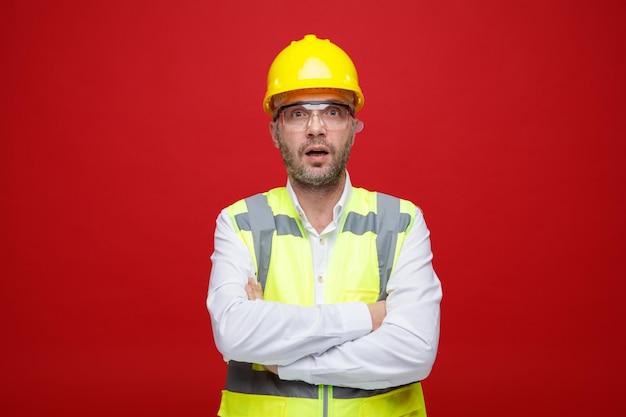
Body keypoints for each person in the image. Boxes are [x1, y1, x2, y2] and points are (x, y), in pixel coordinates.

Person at [207, 34, 442, 417]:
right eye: (298, 113)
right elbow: (234, 335)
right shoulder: (239, 223)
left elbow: (414, 351)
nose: (316, 128)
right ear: (275, 131)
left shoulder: (402, 222)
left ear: (352, 126)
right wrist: (369, 317)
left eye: (332, 112)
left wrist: (285, 360)